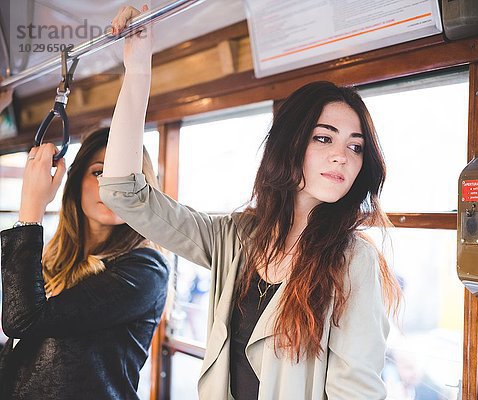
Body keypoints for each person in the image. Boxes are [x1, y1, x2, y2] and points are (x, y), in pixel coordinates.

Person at [100, 5, 401, 399]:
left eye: (355, 147)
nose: (342, 156)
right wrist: (138, 71)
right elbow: (126, 195)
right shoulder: (237, 236)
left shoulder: (351, 258)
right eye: (324, 138)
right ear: (290, 145)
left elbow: (357, 391)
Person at [0, 127, 169, 399]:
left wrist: (31, 209)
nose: (114, 188)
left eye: (129, 178)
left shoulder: (146, 269)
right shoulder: (55, 259)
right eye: (100, 172)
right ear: (77, 181)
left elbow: (22, 320)